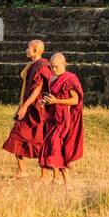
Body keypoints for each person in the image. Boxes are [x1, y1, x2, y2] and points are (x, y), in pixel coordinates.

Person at [2, 39, 52, 177]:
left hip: (36, 108)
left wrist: (25, 106)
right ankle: (22, 170)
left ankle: (44, 175)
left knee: (40, 140)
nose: (26, 50)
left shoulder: (42, 65)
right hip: (25, 104)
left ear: (35, 50)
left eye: (28, 48)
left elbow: (38, 89)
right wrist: (20, 106)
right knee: (16, 135)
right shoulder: (31, 64)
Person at [39, 53, 84, 185]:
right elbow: (51, 99)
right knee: (52, 146)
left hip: (63, 118)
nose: (53, 69)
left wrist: (56, 101)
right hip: (51, 117)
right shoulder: (52, 78)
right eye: (52, 67)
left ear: (64, 64)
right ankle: (60, 179)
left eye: (56, 67)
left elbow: (75, 100)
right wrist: (46, 102)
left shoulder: (70, 78)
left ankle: (61, 179)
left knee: (54, 143)